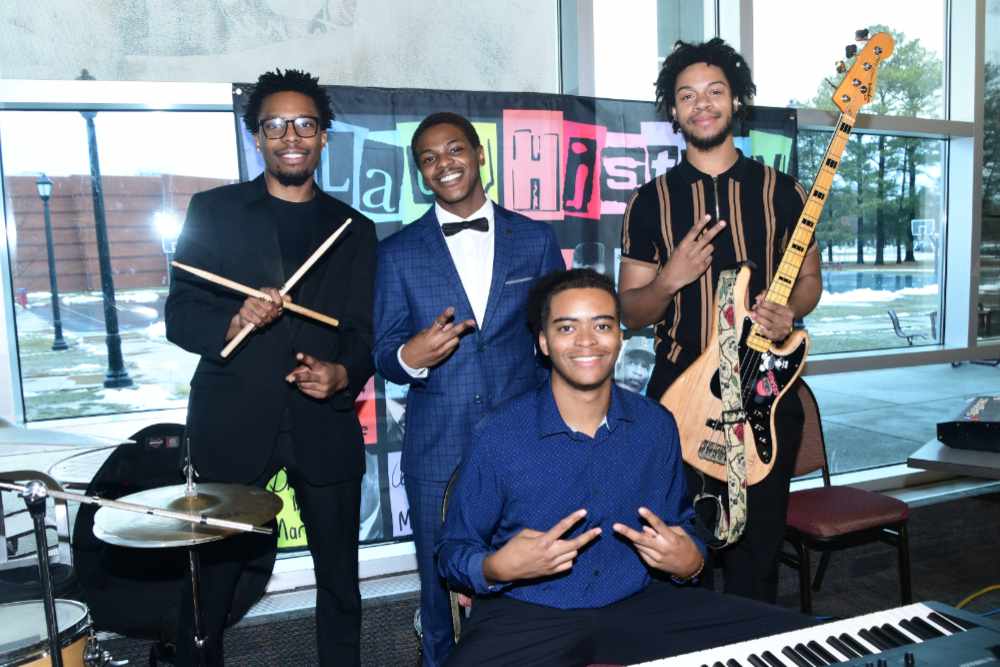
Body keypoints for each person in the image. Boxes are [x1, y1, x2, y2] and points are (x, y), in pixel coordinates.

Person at [437, 269, 812, 666]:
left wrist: (691, 561)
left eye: (602, 325)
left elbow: (681, 528)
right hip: (529, 614)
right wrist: (498, 567)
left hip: (638, 605)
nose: (586, 341)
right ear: (543, 342)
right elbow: (452, 552)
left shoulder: (656, 425)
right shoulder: (498, 434)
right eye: (566, 328)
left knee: (796, 642)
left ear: (619, 336)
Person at [165, 68, 375, 666]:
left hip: (323, 424)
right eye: (275, 124)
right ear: (255, 136)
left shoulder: (353, 230)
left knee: (340, 583)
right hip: (233, 425)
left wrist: (342, 375)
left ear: (324, 136)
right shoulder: (213, 210)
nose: (291, 136)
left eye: (305, 124)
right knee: (211, 587)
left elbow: (362, 334)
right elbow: (180, 315)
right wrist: (234, 320)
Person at [618, 38, 822, 603]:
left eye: (714, 92)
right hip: (677, 401)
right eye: (687, 96)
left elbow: (809, 282)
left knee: (757, 560)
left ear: (736, 102)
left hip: (766, 396)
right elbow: (630, 311)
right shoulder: (649, 201)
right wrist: (669, 279)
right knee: (679, 552)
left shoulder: (783, 192)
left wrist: (790, 313)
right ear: (674, 111)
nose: (701, 104)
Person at [374, 111, 564, 666]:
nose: (443, 165)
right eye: (428, 159)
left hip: (526, 438)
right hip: (436, 449)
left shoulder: (534, 239)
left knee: (532, 573)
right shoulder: (397, 253)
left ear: (479, 153)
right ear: (420, 174)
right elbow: (383, 351)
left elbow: (557, 330)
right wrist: (412, 356)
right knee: (439, 591)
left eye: (453, 150)